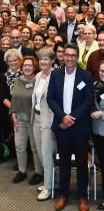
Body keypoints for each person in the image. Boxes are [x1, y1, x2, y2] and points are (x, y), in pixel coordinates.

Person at [47, 43, 93, 211]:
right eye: (67, 55)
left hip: (79, 127)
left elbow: (88, 101)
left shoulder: (86, 76)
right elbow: (50, 99)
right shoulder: (55, 75)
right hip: (62, 126)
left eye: (74, 55)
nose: (70, 58)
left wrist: (71, 117)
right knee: (64, 162)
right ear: (63, 56)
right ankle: (63, 194)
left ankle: (83, 196)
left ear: (77, 56)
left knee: (82, 163)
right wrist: (63, 117)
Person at [10, 56, 43, 185]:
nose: (27, 68)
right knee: (19, 147)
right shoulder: (17, 80)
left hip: (34, 119)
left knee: (35, 149)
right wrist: (13, 115)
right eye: (25, 66)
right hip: (19, 119)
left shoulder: (39, 81)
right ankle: (22, 171)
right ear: (21, 67)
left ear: (34, 67)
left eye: (30, 65)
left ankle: (38, 173)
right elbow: (14, 99)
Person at [31, 47, 56, 201]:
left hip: (49, 120)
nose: (43, 62)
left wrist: (54, 125)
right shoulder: (39, 75)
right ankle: (50, 181)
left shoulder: (56, 77)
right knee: (40, 152)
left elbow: (57, 103)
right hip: (36, 118)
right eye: (41, 59)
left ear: (52, 61)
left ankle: (48, 188)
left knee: (47, 154)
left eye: (46, 59)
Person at [92, 61, 104, 211]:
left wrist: (102, 113)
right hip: (96, 132)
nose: (103, 73)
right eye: (101, 70)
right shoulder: (96, 85)